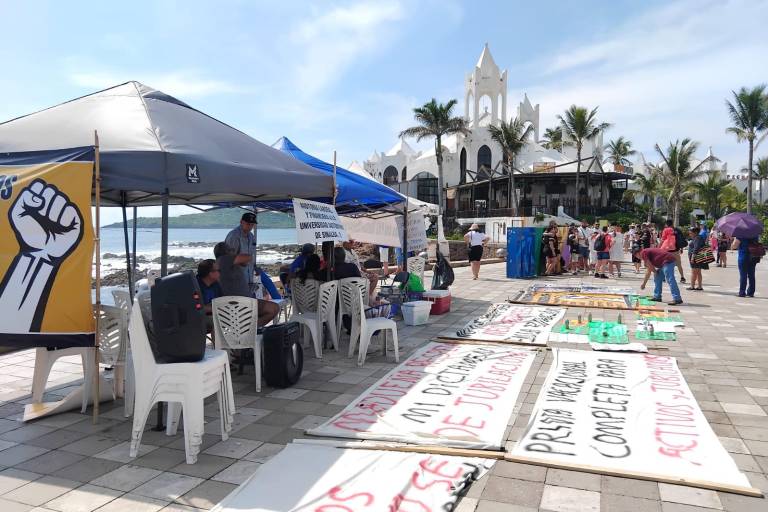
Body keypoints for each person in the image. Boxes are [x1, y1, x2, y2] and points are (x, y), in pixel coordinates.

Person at [214, 242, 279, 326]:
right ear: (226, 251)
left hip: (241, 302)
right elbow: (248, 257)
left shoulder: (225, 263)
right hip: (240, 304)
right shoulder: (224, 259)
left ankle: (250, 328)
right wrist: (236, 255)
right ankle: (251, 328)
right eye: (231, 250)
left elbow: (245, 263)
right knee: (273, 308)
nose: (234, 251)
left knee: (271, 308)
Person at [225, 212, 260, 297]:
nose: (250, 227)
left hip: (248, 281)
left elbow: (251, 255)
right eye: (248, 224)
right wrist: (242, 262)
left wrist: (254, 267)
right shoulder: (234, 236)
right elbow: (228, 260)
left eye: (252, 225)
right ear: (241, 222)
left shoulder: (251, 236)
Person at [196, 259, 223, 333]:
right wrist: (212, 307)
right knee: (219, 323)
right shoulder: (195, 285)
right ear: (210, 273)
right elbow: (196, 308)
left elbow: (222, 300)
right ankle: (219, 344)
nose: (220, 273)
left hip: (213, 313)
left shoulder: (216, 284)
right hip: (198, 317)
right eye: (218, 270)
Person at [687, 225, 708, 291]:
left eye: (690, 233)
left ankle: (692, 286)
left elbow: (696, 248)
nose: (689, 234)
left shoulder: (697, 238)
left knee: (694, 272)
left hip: (696, 257)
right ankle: (699, 286)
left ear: (695, 232)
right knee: (698, 272)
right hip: (698, 257)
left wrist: (693, 257)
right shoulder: (698, 237)